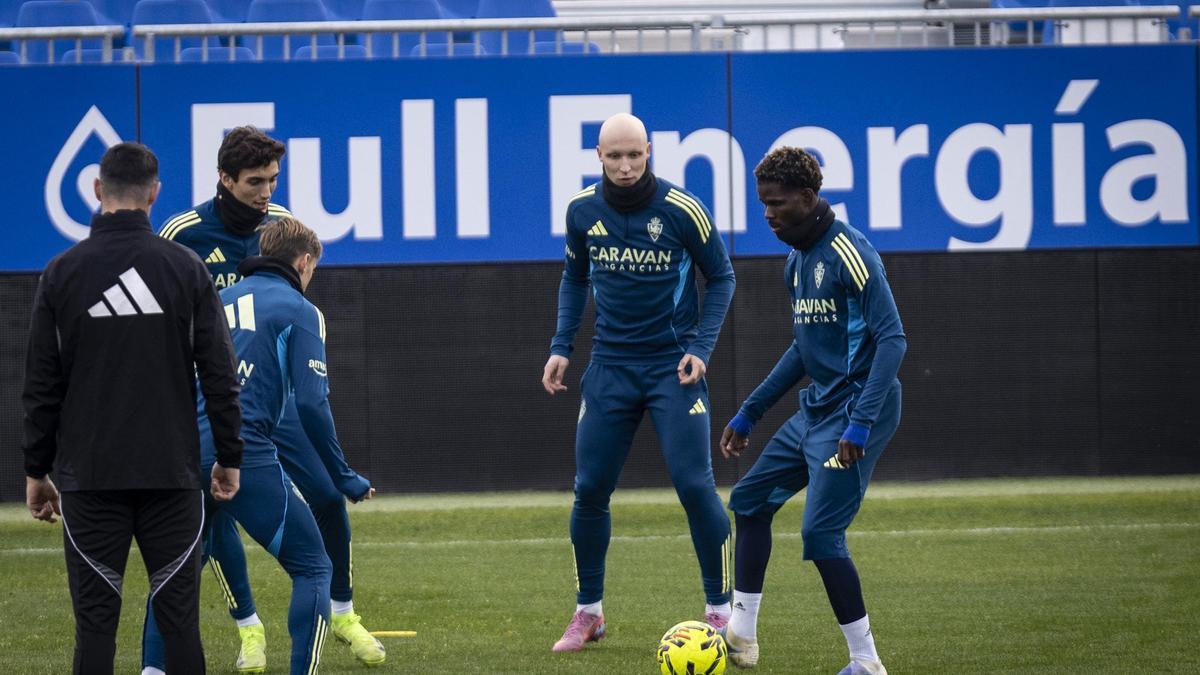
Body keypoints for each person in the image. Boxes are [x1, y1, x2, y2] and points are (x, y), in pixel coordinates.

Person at [147, 126, 382, 672]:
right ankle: (249, 627)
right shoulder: (182, 234)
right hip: (211, 404)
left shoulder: (282, 230)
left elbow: (286, 321)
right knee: (216, 518)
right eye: (255, 181)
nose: (266, 192)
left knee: (325, 495)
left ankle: (341, 612)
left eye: (273, 180)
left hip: (267, 399)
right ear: (225, 179)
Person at [22, 142, 243, 674]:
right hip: (171, 475)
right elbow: (219, 373)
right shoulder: (185, 268)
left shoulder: (62, 272)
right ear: (155, 194)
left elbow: (41, 384)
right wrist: (229, 456)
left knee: (96, 625)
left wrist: (36, 470)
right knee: (179, 623)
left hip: (91, 478)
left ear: (98, 191)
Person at [541, 112, 737, 652]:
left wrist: (700, 348)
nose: (626, 166)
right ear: (598, 157)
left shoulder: (682, 209)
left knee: (695, 485)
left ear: (649, 151)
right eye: (614, 156)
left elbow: (721, 275)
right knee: (589, 491)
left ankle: (721, 613)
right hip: (609, 368)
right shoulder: (582, 210)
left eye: (635, 155)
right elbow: (574, 276)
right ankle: (588, 613)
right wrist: (562, 347)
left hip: (673, 368)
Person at [718, 147, 906, 674]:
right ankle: (742, 636)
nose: (768, 214)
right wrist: (749, 411)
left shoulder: (850, 251)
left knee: (821, 534)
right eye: (762, 204)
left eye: (776, 204)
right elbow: (805, 348)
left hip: (858, 407)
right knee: (750, 501)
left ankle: (867, 663)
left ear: (808, 197)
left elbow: (893, 340)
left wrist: (861, 420)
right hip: (819, 407)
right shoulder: (796, 260)